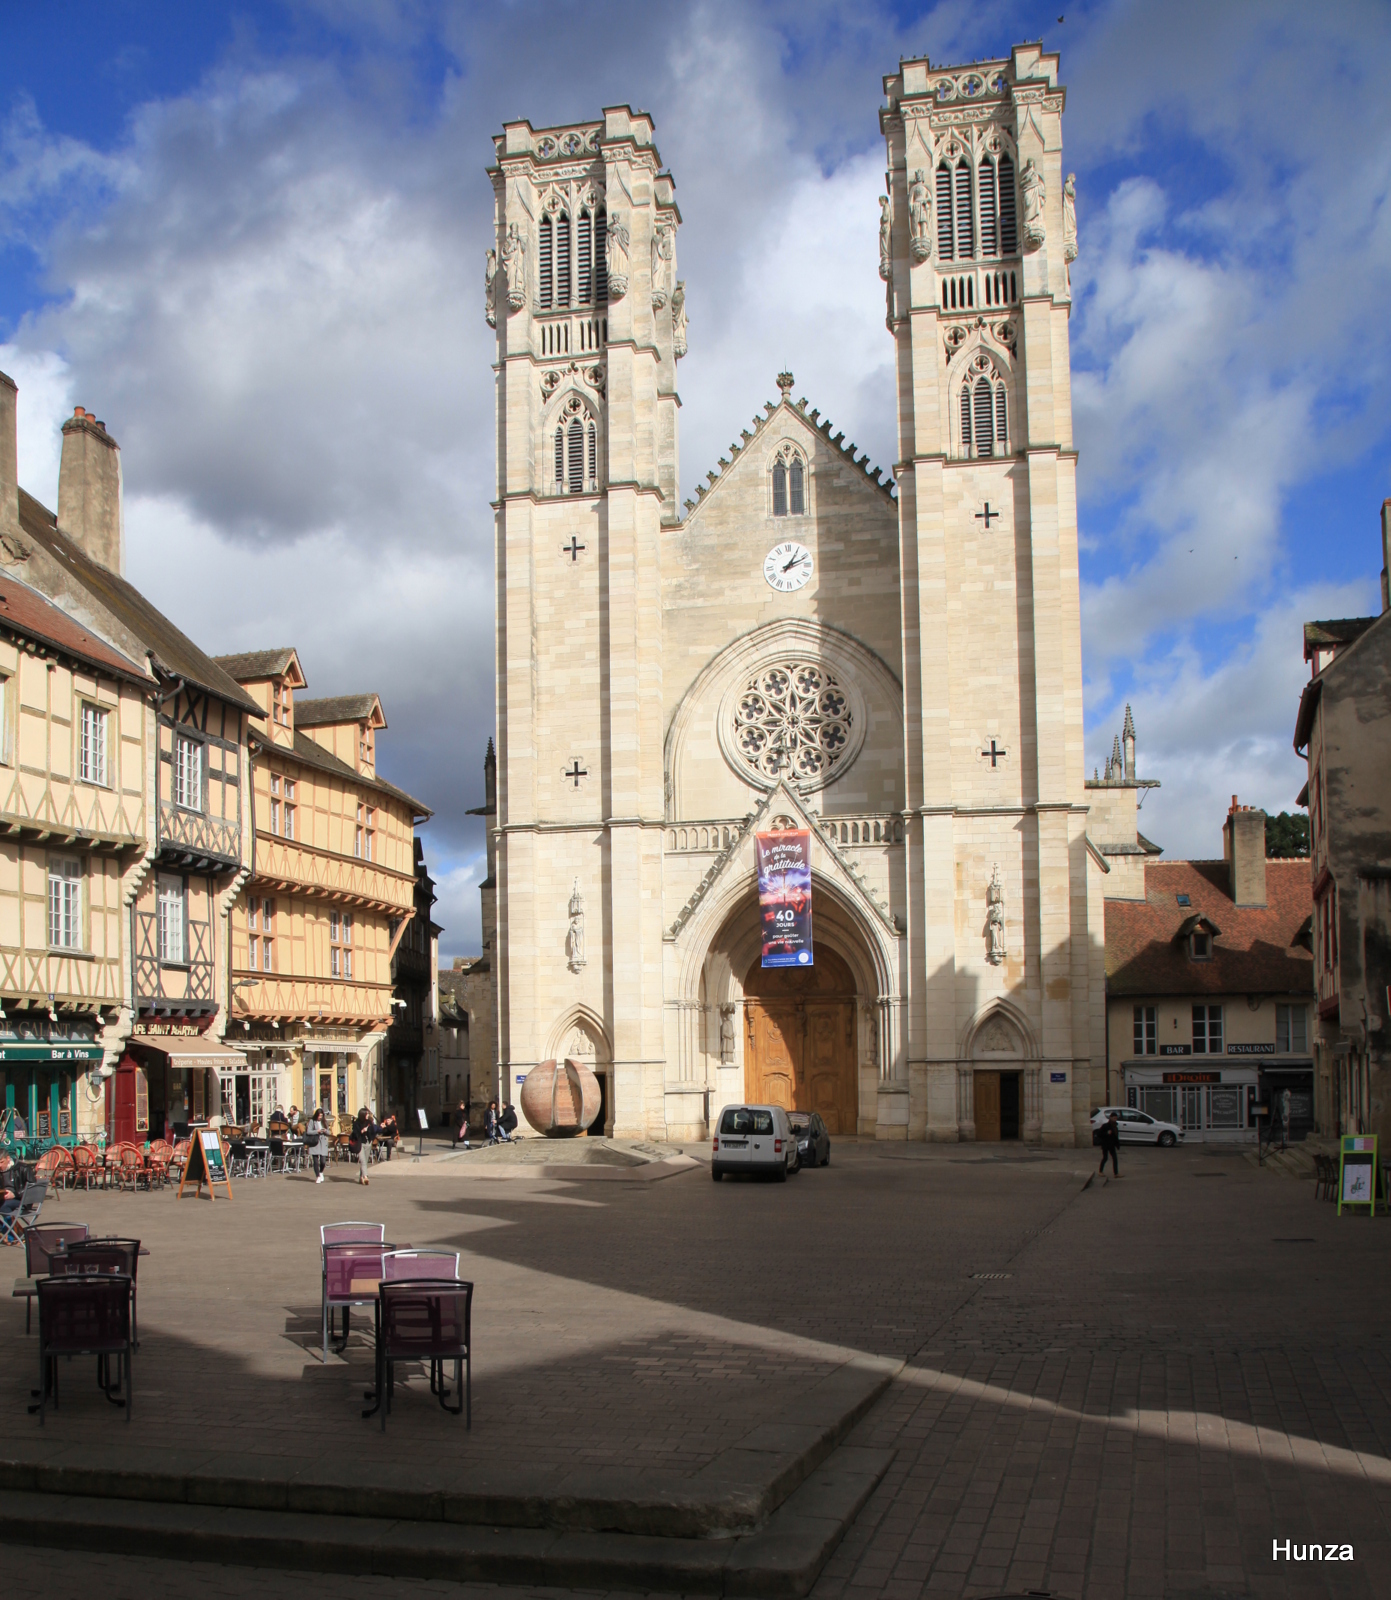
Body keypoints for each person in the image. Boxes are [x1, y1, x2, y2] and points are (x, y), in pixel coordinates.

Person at [351, 1106, 377, 1186]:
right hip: (360, 1143)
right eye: (366, 1114)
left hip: (367, 1143)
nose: (367, 1115)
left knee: (365, 1161)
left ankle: (361, 1177)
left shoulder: (369, 1122)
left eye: (368, 1114)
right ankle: (365, 1177)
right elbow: (355, 1134)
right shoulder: (356, 1123)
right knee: (362, 1160)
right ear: (362, 1115)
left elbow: (373, 1131)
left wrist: (370, 1134)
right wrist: (362, 1131)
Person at [307, 1106, 329, 1184]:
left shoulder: (324, 1122)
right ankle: (318, 1176)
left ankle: (321, 1171)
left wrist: (325, 1131)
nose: (320, 1117)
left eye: (321, 1116)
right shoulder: (312, 1121)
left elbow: (328, 1133)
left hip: (323, 1142)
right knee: (315, 1160)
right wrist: (317, 1131)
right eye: (319, 1116)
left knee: (323, 1161)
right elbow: (308, 1132)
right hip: (315, 1141)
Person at [1097, 1111, 1121, 1178]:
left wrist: (1117, 1144)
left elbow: (1115, 1137)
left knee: (1115, 1159)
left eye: (1116, 1118)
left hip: (1112, 1145)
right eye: (1114, 1118)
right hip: (1105, 1145)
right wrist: (1106, 1133)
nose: (1115, 1119)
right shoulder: (1106, 1126)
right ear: (1110, 1118)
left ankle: (1116, 1173)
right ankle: (1100, 1171)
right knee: (1105, 1158)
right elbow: (1099, 1134)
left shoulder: (1115, 1126)